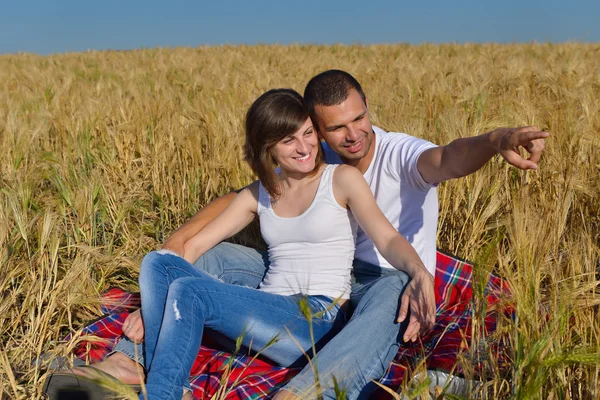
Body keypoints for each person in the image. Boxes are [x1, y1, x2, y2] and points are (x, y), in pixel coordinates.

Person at [50, 70, 548, 399]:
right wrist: (163, 277)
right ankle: (127, 361)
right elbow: (235, 204)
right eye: (332, 128)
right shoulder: (310, 162)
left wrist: (496, 140)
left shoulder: (392, 156)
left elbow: (447, 159)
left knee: (392, 285)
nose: (351, 135)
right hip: (314, 281)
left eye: (360, 119)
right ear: (318, 128)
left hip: (378, 282)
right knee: (185, 264)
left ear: (369, 108)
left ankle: (307, 391)